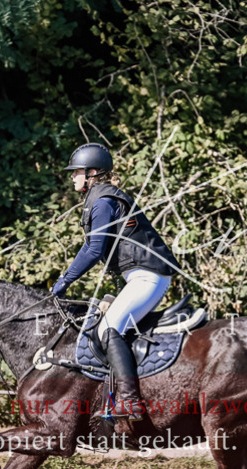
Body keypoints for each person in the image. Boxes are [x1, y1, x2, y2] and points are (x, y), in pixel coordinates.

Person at [51, 142, 180, 421]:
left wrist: (65, 280)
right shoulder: (101, 198)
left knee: (110, 327)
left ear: (93, 173)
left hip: (148, 276)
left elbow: (94, 248)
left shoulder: (103, 201)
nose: (72, 177)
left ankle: (130, 402)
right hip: (140, 276)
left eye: (77, 172)